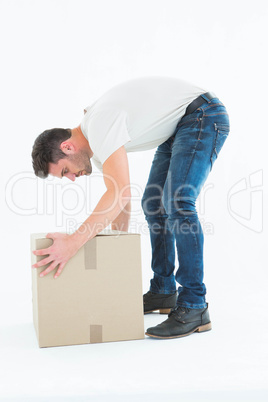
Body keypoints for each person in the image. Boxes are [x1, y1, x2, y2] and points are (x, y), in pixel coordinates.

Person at [31, 76, 230, 339]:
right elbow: (120, 200)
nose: (71, 178)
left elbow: (118, 191)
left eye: (65, 170)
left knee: (178, 202)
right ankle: (163, 289)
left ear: (67, 147)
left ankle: (195, 305)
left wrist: (73, 242)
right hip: (179, 127)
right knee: (153, 203)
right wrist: (117, 252)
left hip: (202, 115)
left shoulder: (100, 124)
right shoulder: (98, 143)